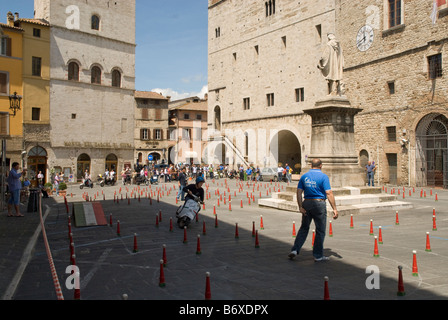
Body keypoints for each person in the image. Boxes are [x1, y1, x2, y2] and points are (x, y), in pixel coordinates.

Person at [288, 159, 339, 262]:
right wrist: (334, 208)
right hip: (319, 203)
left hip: (307, 203)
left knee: (304, 228)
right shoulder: (323, 177)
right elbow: (329, 193)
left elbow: (298, 192)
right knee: (320, 230)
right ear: (321, 165)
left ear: (311, 165)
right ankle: (318, 255)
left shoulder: (304, 176)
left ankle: (295, 250)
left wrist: (300, 206)